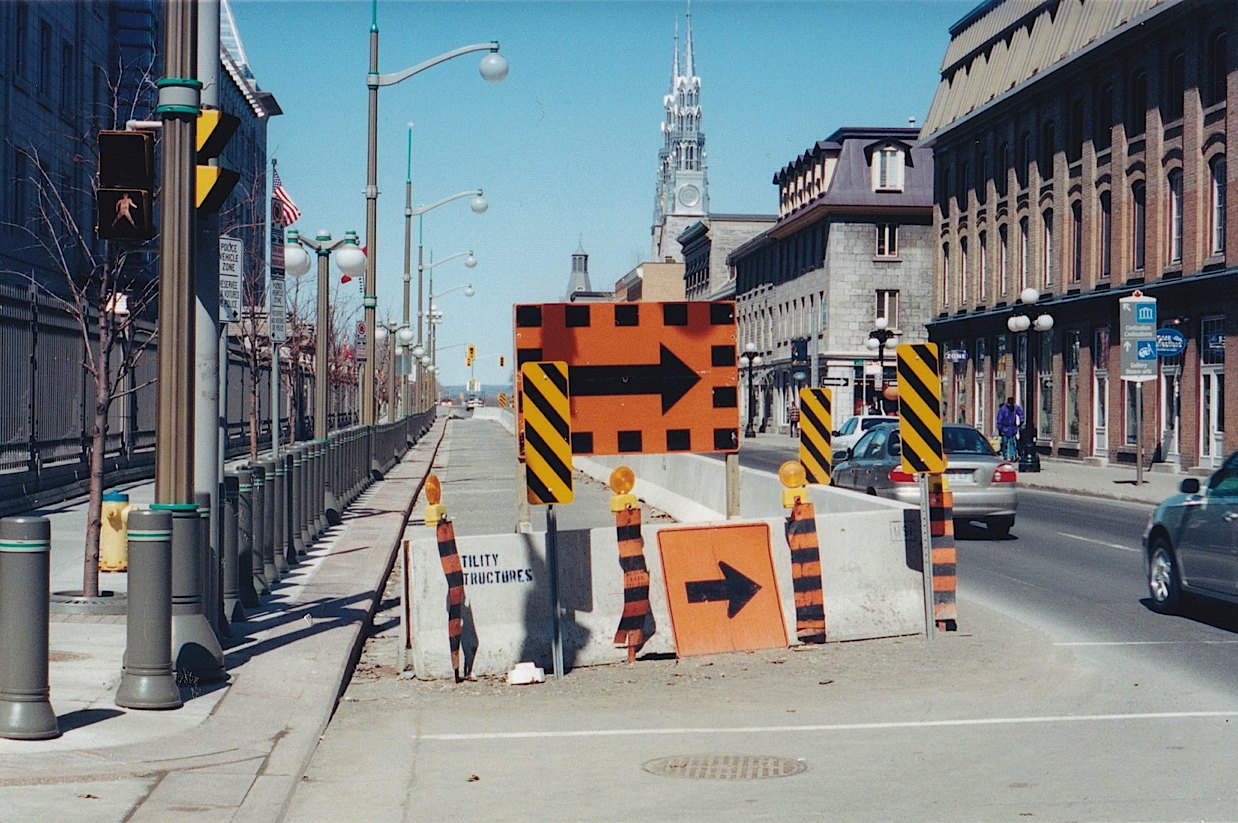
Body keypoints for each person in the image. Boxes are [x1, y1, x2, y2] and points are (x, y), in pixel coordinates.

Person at [996, 396, 1024, 460]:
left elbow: (1020, 413)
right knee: (1004, 443)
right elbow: (999, 419)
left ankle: (1012, 455)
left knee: (1012, 443)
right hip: (1004, 428)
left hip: (1012, 428)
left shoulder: (1015, 407)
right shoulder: (1003, 409)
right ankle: (1005, 455)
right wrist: (1000, 428)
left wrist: (1021, 421)